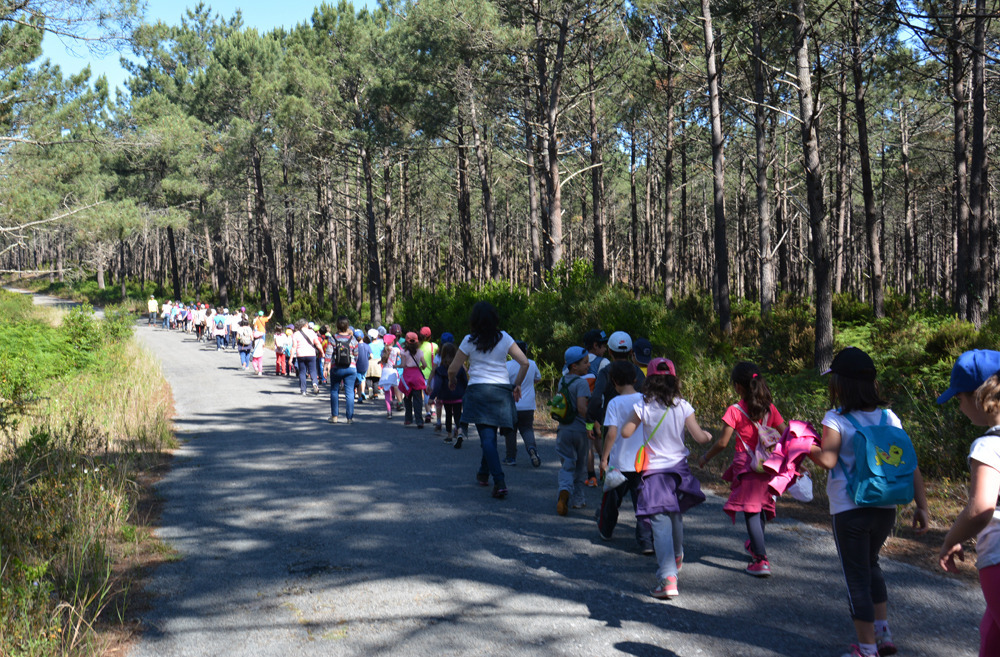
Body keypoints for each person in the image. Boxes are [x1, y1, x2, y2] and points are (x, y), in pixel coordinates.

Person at [807, 347, 929, 657]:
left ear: (841, 384)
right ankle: (882, 633)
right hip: (886, 507)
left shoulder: (836, 418)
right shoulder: (889, 417)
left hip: (850, 510)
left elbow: (828, 460)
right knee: (871, 564)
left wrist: (805, 446)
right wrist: (922, 506)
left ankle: (866, 648)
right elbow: (910, 464)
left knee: (856, 578)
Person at [620, 357, 711, 599]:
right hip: (679, 470)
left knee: (659, 521)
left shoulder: (643, 404)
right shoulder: (683, 406)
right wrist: (708, 436)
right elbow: (699, 437)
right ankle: (677, 555)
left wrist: (634, 420)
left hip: (655, 472)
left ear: (648, 380)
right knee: (675, 514)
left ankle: (668, 577)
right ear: (674, 380)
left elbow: (626, 432)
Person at [936, 349, 1000, 657]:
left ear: (980, 397)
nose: (959, 407)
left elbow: (980, 508)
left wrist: (951, 539)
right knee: (991, 634)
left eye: (959, 398)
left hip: (998, 559)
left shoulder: (989, 445)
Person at [698, 362, 787, 577]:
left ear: (738, 386)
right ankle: (756, 547)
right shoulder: (769, 409)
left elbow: (722, 443)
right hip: (767, 466)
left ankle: (761, 560)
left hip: (746, 466)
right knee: (759, 506)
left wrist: (705, 457)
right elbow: (786, 434)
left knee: (751, 511)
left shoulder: (734, 411)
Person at [448, 301, 529, 500]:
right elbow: (524, 363)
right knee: (489, 437)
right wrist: (517, 385)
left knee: (487, 438)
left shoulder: (469, 340)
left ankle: (500, 482)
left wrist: (452, 381)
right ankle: (483, 473)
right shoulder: (505, 338)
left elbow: (452, 369)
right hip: (501, 391)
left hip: (479, 391)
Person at [598, 360, 654, 554]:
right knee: (643, 504)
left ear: (613, 381)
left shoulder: (614, 403)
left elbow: (612, 433)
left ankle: (606, 530)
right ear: (636, 379)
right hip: (641, 462)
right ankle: (646, 541)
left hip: (619, 463)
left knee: (611, 501)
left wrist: (604, 458)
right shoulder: (646, 400)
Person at [556, 346, 594, 515]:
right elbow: (581, 408)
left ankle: (564, 491)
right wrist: (591, 424)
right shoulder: (581, 383)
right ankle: (578, 499)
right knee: (580, 466)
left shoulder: (562, 381)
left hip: (563, 430)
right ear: (574, 366)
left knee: (567, 464)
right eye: (585, 362)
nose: (588, 365)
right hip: (579, 430)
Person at [504, 340, 542, 467]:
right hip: (528, 404)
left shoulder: (507, 365)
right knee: (527, 429)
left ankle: (510, 457)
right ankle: (532, 449)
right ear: (525, 351)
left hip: (511, 404)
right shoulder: (532, 364)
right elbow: (538, 378)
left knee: (510, 431)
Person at [432, 342, 468, 445]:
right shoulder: (460, 368)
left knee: (448, 414)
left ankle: (449, 435)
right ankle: (459, 432)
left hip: (446, 396)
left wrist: (432, 396)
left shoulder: (440, 370)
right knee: (457, 414)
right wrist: (467, 393)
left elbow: (437, 384)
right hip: (458, 395)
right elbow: (465, 382)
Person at [326, 317, 358, 424]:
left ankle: (334, 416)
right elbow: (356, 355)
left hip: (337, 368)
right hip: (351, 368)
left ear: (337, 326)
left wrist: (326, 366)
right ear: (347, 326)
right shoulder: (353, 339)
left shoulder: (333, 338)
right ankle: (349, 418)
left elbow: (328, 354)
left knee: (334, 391)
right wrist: (353, 363)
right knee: (350, 392)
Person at [400, 332, 428, 427]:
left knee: (407, 398)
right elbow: (424, 365)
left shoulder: (404, 352)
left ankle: (408, 419)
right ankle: (419, 420)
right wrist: (421, 367)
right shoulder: (419, 352)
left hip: (407, 376)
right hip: (417, 376)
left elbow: (403, 365)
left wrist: (396, 366)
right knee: (418, 399)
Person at [292, 319, 323, 396]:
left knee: (302, 372)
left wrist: (291, 358)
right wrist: (322, 352)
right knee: (313, 371)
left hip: (300, 355)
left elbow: (294, 346)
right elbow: (317, 343)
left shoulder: (296, 334)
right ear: (306, 324)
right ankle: (315, 383)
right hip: (311, 354)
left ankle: (303, 390)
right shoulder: (312, 332)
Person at [377, 347, 399, 418]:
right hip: (393, 371)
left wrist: (380, 361)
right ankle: (398, 401)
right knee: (395, 387)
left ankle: (389, 411)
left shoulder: (383, 351)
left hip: (385, 372)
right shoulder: (395, 350)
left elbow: (383, 360)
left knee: (386, 393)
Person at [366, 328, 384, 399]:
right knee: (376, 379)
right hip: (377, 362)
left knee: (368, 377)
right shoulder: (381, 345)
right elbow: (383, 353)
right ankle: (376, 394)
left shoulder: (368, 345)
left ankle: (369, 388)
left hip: (369, 361)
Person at [355, 329, 370, 403]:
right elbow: (371, 355)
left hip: (358, 365)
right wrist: (367, 359)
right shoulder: (367, 346)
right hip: (365, 365)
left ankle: (360, 397)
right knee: (363, 379)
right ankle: (363, 392)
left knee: (358, 381)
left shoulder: (356, 346)